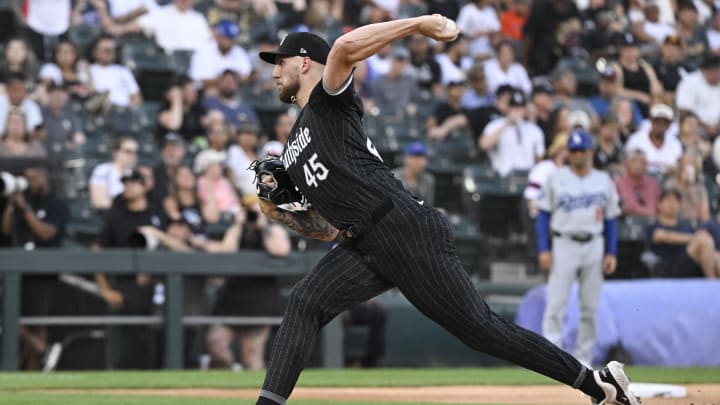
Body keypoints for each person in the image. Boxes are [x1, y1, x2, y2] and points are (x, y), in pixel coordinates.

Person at [254, 17, 638, 405]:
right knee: (305, 302)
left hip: (401, 226)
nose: (274, 71)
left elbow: (343, 49)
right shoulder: (290, 150)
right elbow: (325, 229)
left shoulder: (327, 100)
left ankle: (599, 385)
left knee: (480, 329)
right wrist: (280, 213)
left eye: (280, 61)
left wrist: (420, 24)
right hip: (361, 242)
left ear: (304, 62)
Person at [535, 129, 621, 368]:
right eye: (573, 150)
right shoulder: (555, 178)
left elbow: (611, 219)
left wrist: (611, 251)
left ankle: (584, 359)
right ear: (568, 153)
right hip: (564, 243)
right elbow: (542, 214)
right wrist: (544, 248)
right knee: (556, 303)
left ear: (590, 151)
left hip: (595, 243)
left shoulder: (603, 180)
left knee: (590, 307)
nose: (577, 154)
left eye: (581, 150)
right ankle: (551, 360)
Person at [93, 168, 164, 369]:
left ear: (144, 186)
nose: (128, 186)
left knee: (148, 339)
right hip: (122, 286)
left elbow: (167, 249)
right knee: (122, 341)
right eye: (125, 182)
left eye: (133, 182)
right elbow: (96, 251)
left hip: (153, 286)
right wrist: (105, 288)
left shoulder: (155, 213)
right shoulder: (115, 215)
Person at [1, 166, 69, 370]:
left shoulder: (57, 203)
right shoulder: (22, 199)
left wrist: (25, 209)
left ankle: (36, 369)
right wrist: (12, 205)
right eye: (28, 177)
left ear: (45, 176)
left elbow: (46, 233)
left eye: (35, 176)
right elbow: (5, 230)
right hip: (17, 272)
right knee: (9, 315)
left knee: (38, 323)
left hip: (42, 272)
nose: (32, 181)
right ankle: (42, 349)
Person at [645, 189, 717, 278]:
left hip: (689, 265)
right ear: (659, 204)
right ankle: (712, 283)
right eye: (668, 200)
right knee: (703, 239)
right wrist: (694, 238)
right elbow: (660, 236)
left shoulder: (685, 227)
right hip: (667, 267)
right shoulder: (654, 225)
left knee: (714, 254)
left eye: (676, 201)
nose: (672, 204)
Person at [480, 89, 545, 176]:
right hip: (503, 177)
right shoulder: (495, 125)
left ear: (525, 109)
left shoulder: (534, 129)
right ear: (507, 108)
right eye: (514, 107)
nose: (517, 110)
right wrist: (507, 123)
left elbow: (539, 158)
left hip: (527, 176)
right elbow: (483, 145)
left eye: (520, 107)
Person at [624, 103, 682, 174]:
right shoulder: (636, 139)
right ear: (651, 121)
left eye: (664, 122)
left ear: (669, 125)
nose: (660, 125)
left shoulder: (675, 144)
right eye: (657, 121)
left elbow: (677, 167)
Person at [524, 132, 568, 218]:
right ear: (560, 150)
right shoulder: (543, 168)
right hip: (545, 215)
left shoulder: (572, 171)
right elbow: (531, 197)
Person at [675, 54, 720, 137]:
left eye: (718, 70)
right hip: (696, 132)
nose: (717, 74)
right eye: (714, 71)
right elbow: (684, 111)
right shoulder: (690, 82)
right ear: (703, 70)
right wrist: (707, 127)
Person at [89, 137, 138, 210]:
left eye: (135, 152)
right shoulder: (103, 170)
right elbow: (98, 201)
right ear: (116, 152)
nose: (132, 155)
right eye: (128, 151)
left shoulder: (135, 173)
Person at [614, 150, 661, 217]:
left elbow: (660, 207)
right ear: (626, 164)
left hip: (652, 222)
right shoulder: (617, 184)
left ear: (646, 165)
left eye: (642, 162)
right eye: (634, 161)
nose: (638, 166)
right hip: (627, 223)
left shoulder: (653, 184)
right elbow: (618, 209)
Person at [392, 142, 435, 206]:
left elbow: (428, 205)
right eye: (415, 157)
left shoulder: (429, 180)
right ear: (406, 158)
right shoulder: (393, 176)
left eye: (421, 158)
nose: (418, 161)